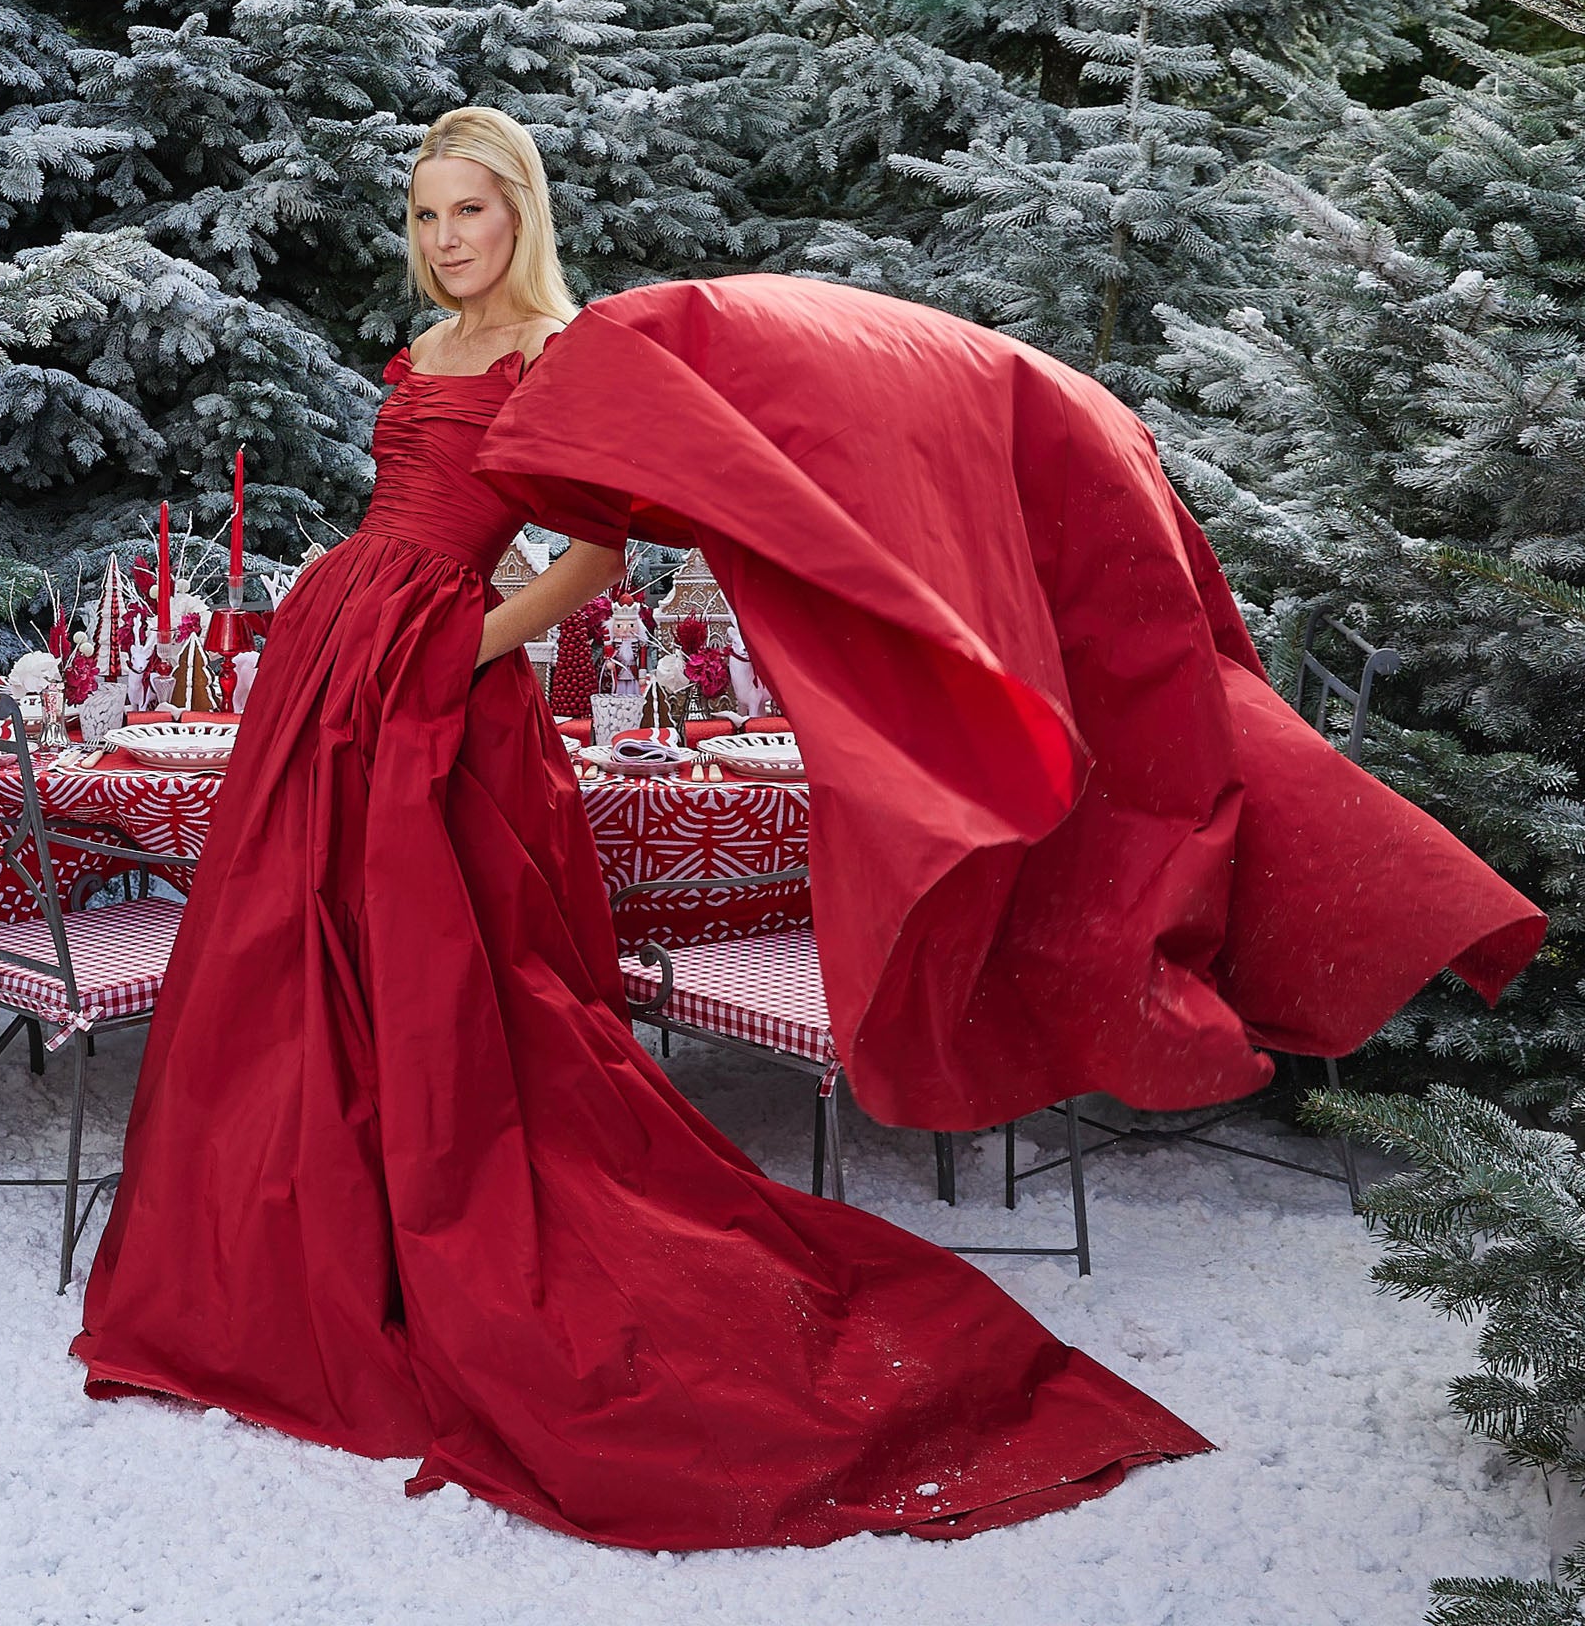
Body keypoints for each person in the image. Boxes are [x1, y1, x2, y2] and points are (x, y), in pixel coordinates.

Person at [73, 106, 1207, 1549]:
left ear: (520, 216)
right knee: (296, 956)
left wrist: (472, 646)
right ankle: (298, 1256)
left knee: (446, 975)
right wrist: (364, 625)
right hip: (338, 655)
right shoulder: (422, 355)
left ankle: (436, 1234)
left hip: (437, 673)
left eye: (467, 214)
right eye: (424, 217)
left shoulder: (564, 355)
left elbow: (600, 559)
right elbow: (399, 503)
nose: (442, 241)